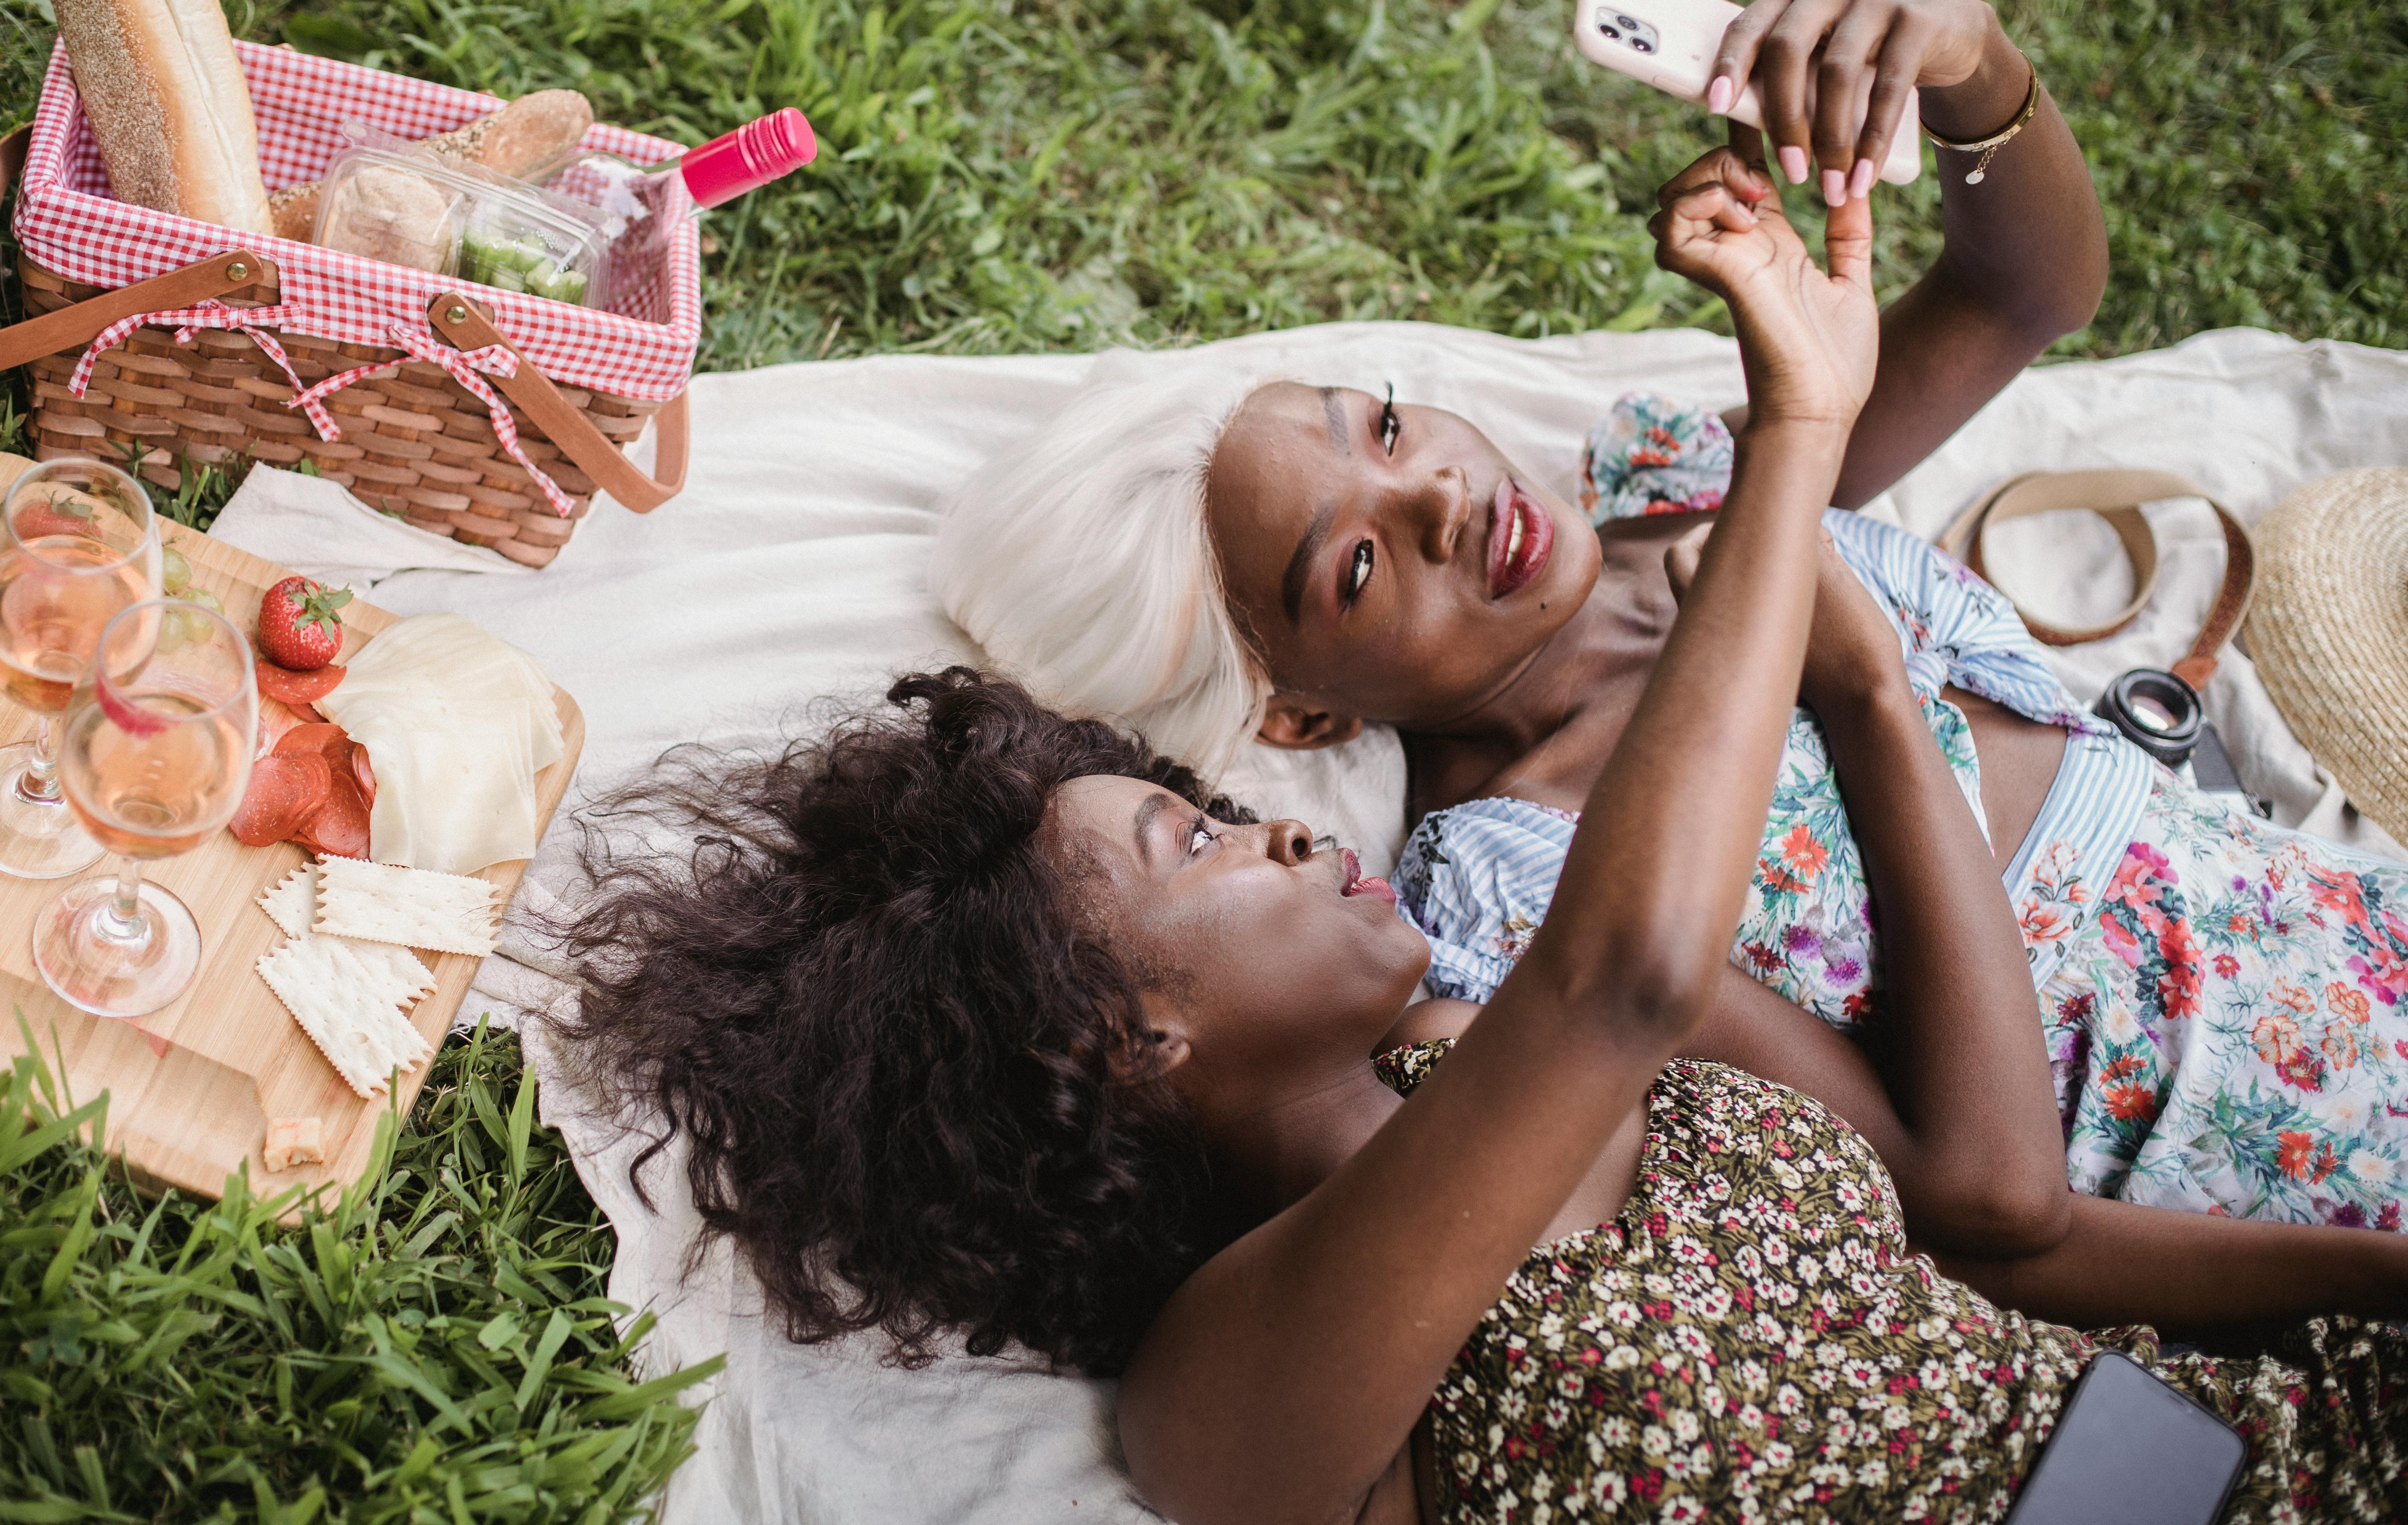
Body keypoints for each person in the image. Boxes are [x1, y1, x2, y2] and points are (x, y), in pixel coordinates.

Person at [567, 168, 2408, 1523]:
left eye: (1213, 808)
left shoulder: (1474, 1024)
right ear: (1123, 1041)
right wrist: (1801, 449)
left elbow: (2017, 1236)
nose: (1278, 836)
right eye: (1195, 842)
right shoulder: (1230, 1393)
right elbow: (1626, 977)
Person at [934, 0, 2408, 1228]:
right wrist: (1859, 684)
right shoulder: (1523, 894)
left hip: (2346, 905)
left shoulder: (1680, 486)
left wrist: (1969, 61)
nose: (1442, 492)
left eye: (1383, 426)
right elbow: (1951, 1199)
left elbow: (2026, 295)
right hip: (2259, 1119)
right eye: (1360, 564)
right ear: (1302, 707)